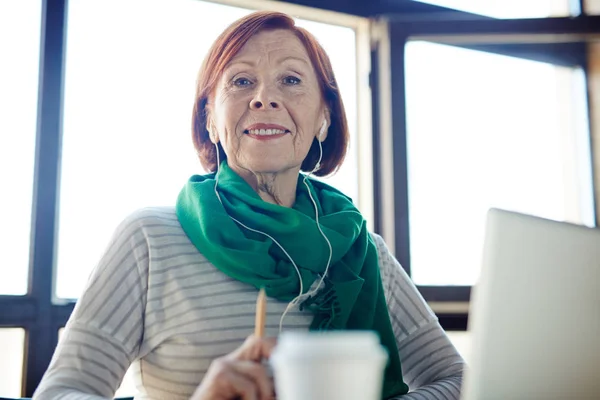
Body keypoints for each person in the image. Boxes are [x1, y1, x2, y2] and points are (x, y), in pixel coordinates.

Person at [33, 10, 464, 400]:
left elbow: (456, 381)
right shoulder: (148, 238)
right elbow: (63, 392)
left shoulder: (361, 251)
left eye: (291, 80)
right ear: (210, 120)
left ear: (324, 118)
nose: (264, 98)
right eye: (241, 81)